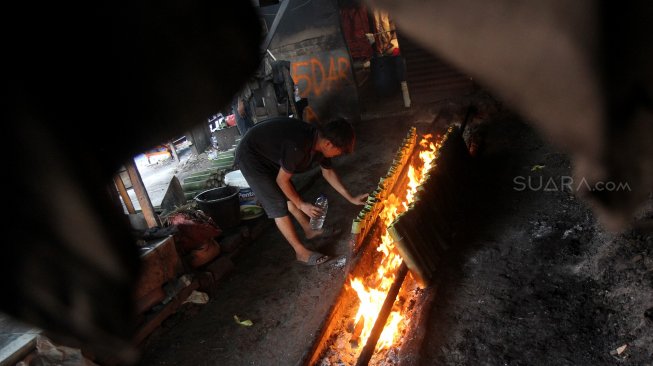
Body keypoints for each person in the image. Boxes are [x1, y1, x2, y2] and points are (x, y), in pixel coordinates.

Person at [235, 117, 368, 265]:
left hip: (267, 152)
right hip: (250, 155)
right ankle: (301, 252)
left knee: (288, 191)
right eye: (340, 151)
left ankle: (309, 230)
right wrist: (301, 204)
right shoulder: (298, 145)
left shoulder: (320, 144)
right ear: (328, 144)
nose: (339, 155)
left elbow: (328, 172)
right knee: (277, 203)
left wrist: (351, 198)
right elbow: (281, 181)